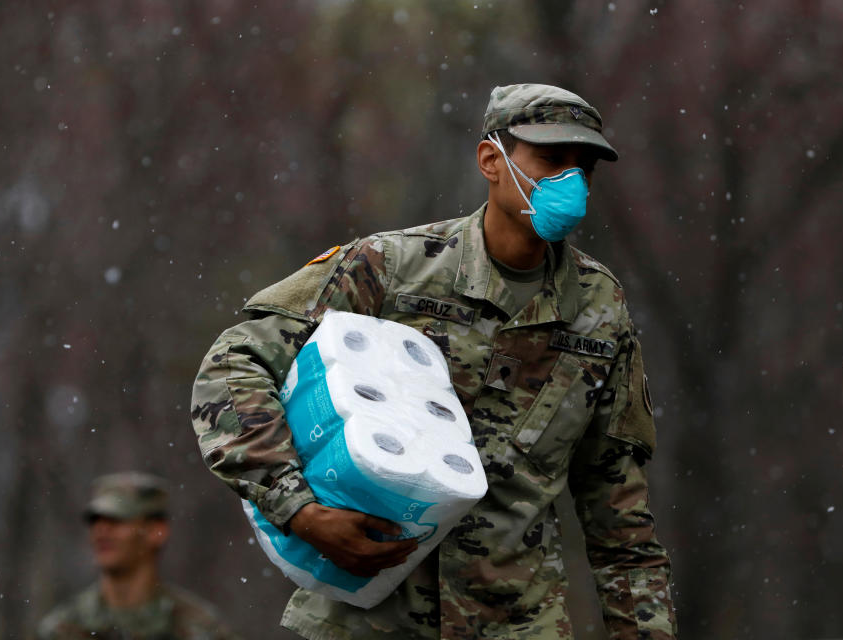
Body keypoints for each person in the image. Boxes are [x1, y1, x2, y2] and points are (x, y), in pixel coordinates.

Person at [191, 83, 676, 639]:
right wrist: (298, 508)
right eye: (549, 159)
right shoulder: (393, 269)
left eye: (582, 166)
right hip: (369, 616)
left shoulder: (598, 309)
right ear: (491, 160)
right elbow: (235, 362)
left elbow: (619, 513)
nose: (569, 180)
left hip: (517, 623)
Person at [38, 471, 239, 640]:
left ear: (156, 532)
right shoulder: (63, 629)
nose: (100, 531)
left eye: (116, 520)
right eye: (95, 521)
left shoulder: (200, 629)